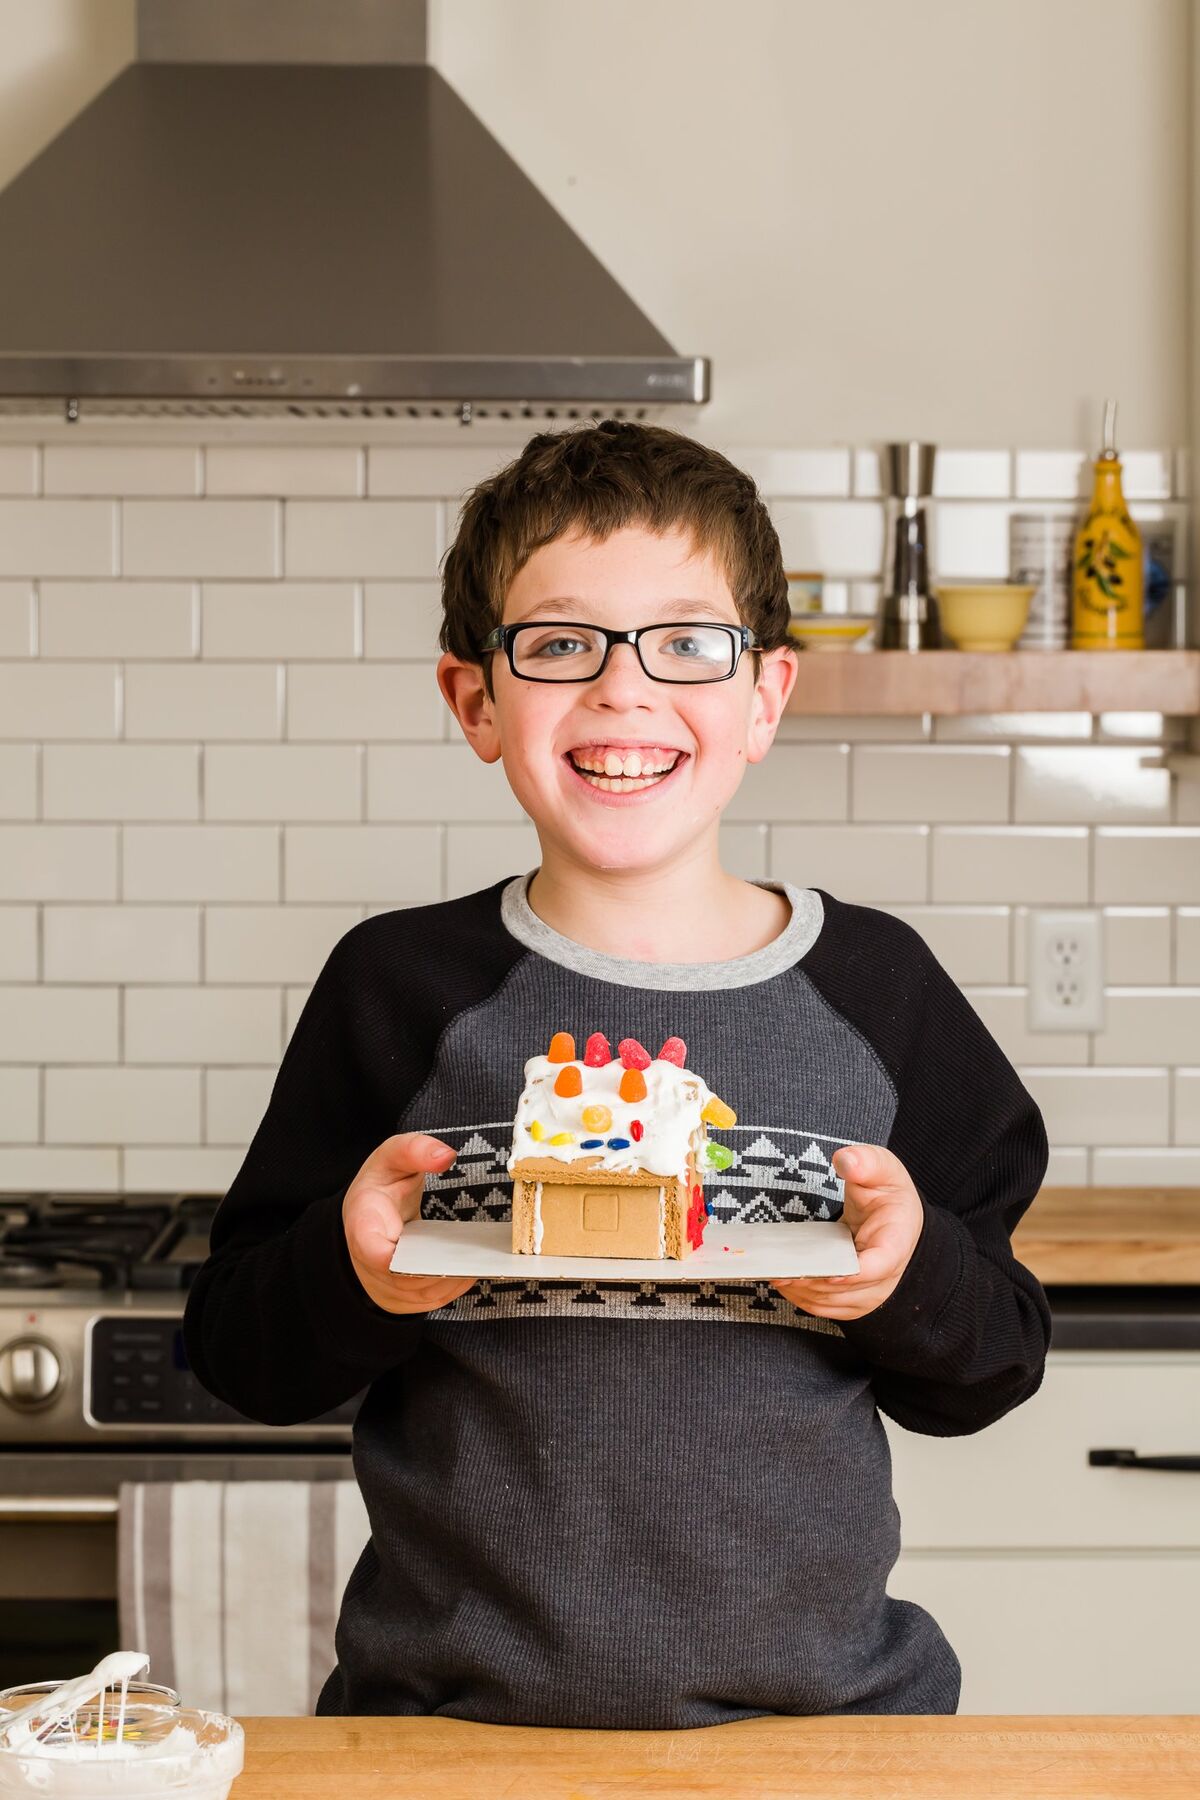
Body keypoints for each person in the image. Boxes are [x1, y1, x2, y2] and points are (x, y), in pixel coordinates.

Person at [182, 420, 1051, 1726]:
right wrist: (355, 1268)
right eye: (560, 643)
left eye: (687, 643)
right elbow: (241, 1356)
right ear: (477, 700)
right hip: (449, 1737)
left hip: (819, 1735)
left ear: (765, 695)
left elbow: (991, 1362)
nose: (624, 691)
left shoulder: (880, 994)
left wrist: (905, 1275)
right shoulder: (398, 990)